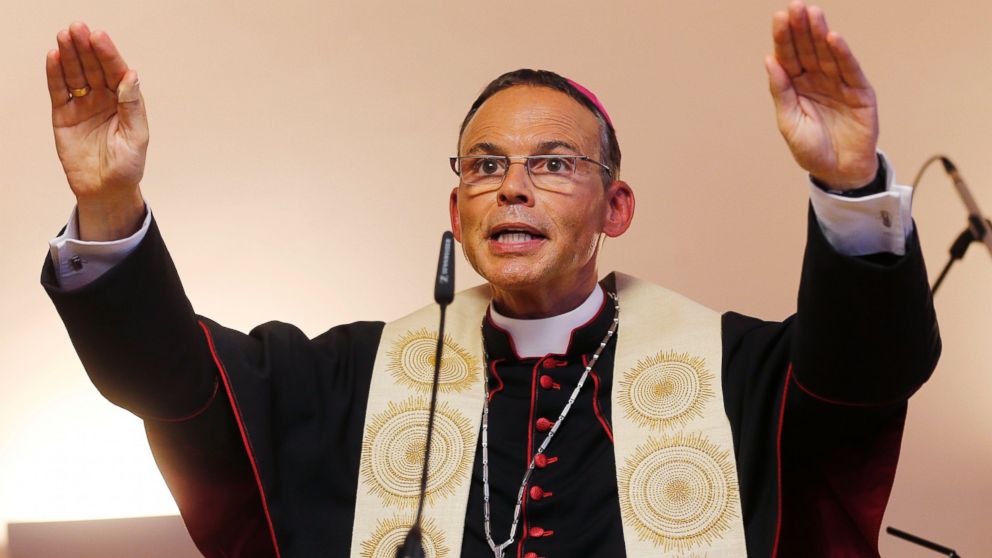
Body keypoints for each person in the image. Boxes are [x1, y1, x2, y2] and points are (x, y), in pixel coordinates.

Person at [41, 2, 939, 557]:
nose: (512, 184)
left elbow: (867, 370)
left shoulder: (738, 369)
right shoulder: (353, 377)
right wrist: (112, 200)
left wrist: (849, 185)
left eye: (553, 164)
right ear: (456, 208)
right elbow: (174, 386)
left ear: (615, 209)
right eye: (485, 164)